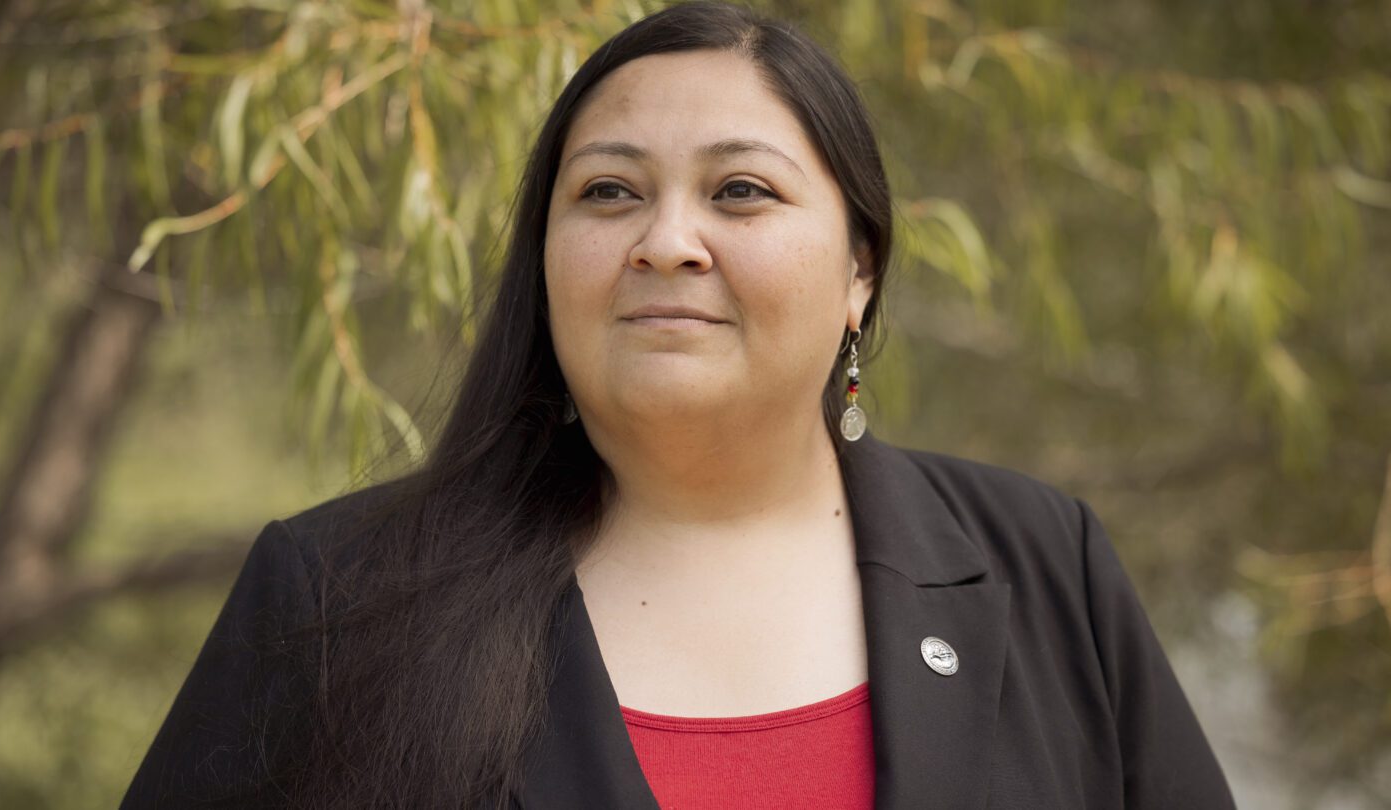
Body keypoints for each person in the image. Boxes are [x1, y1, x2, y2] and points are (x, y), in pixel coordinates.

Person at [121, 2, 1237, 808]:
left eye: (740, 191)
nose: (665, 242)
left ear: (860, 270)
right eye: (608, 191)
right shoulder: (335, 601)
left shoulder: (1045, 564)